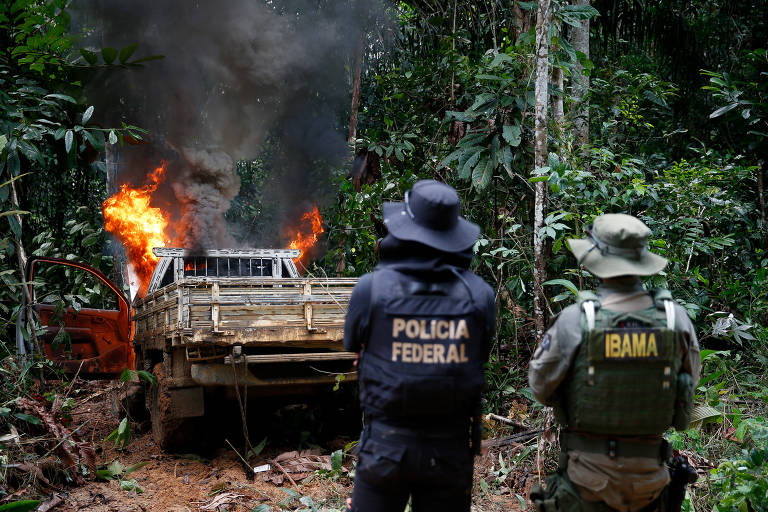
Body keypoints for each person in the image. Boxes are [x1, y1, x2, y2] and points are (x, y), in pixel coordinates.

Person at [528, 213, 701, 512]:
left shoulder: (576, 321)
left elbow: (540, 388)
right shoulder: (676, 321)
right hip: (650, 482)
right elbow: (690, 384)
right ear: (641, 261)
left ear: (596, 260)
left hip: (585, 482)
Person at [344, 179, 496, 512]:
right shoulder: (480, 294)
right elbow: (478, 356)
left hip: (385, 446)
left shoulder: (370, 289)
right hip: (450, 450)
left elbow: (355, 348)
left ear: (405, 228)